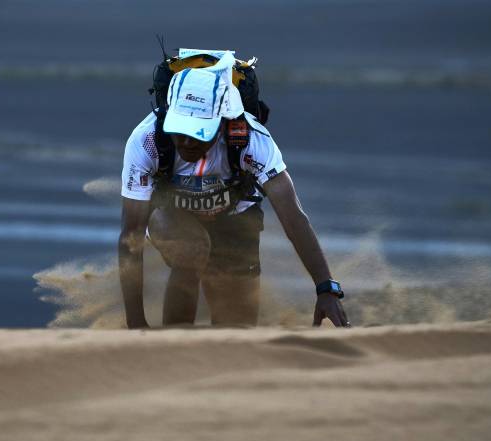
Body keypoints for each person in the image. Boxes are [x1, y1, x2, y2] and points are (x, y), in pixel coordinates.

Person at [118, 49, 350, 329]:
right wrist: (135, 325)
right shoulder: (146, 141)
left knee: (236, 329)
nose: (187, 141)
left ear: (222, 120)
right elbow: (131, 237)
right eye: (179, 128)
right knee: (192, 249)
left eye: (198, 131)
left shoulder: (252, 141)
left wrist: (326, 288)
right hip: (172, 217)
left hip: (236, 219)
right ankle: (173, 346)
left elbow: (294, 218)